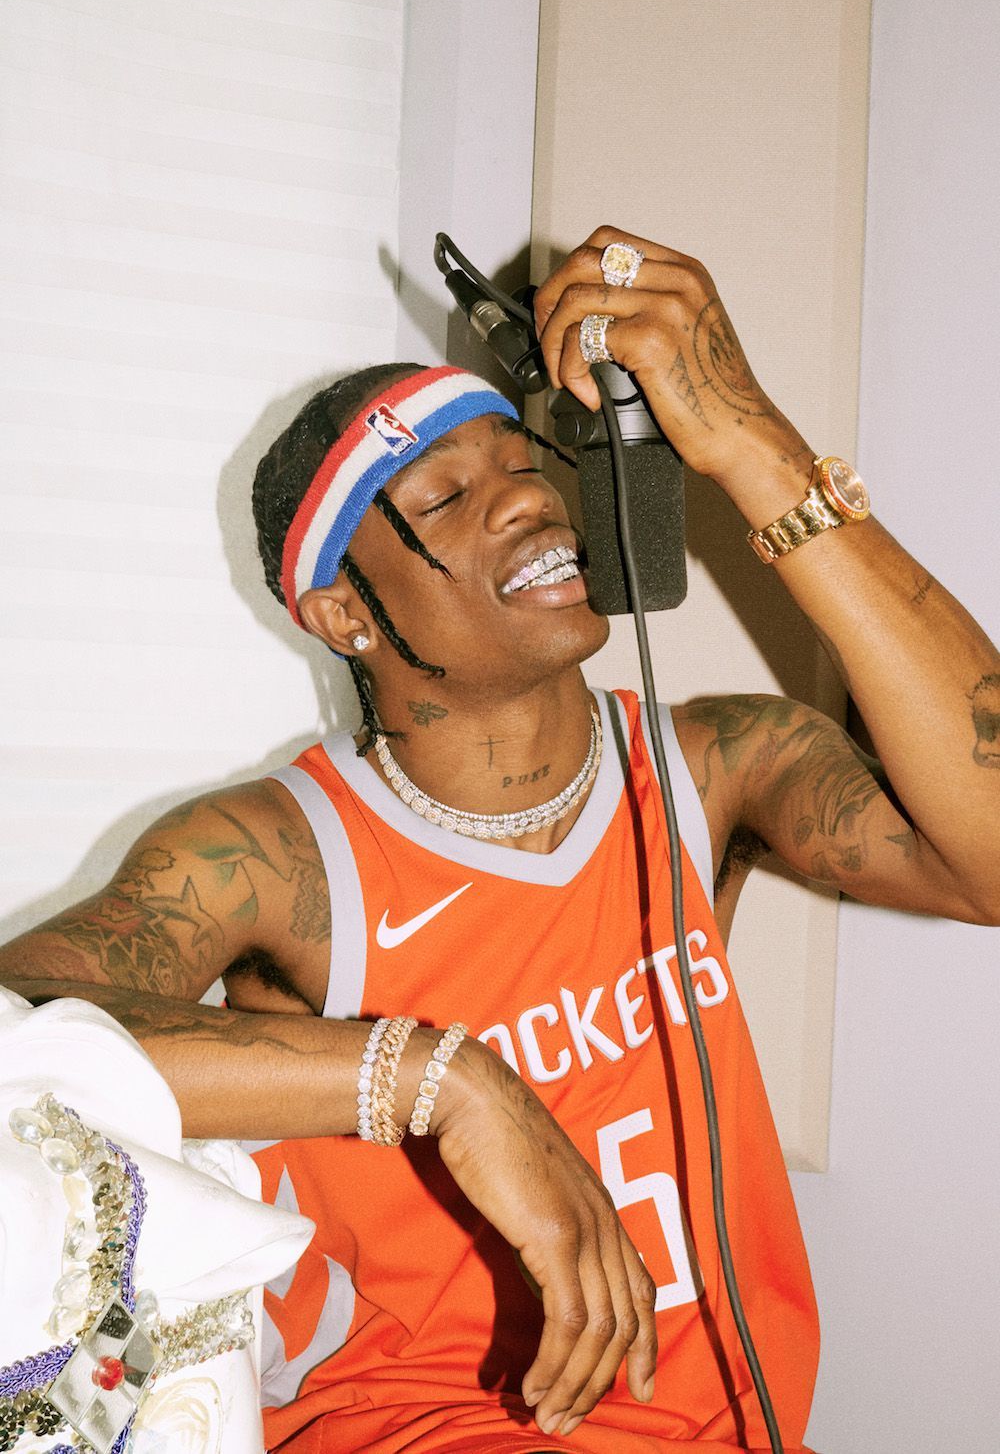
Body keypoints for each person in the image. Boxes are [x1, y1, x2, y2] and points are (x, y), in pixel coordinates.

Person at [2, 226, 998, 1454]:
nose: (528, 498)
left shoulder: (714, 766)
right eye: (445, 498)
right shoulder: (272, 855)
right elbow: (20, 1031)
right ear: (344, 614)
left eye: (526, 466)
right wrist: (438, 1078)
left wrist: (750, 441)